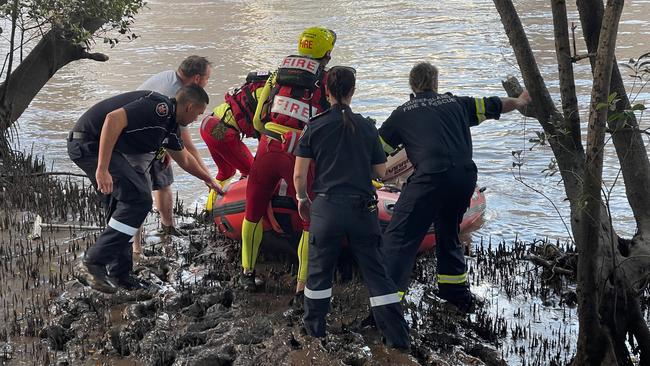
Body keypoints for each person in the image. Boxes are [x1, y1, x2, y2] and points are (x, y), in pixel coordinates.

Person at [378, 62, 531, 312]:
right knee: (449, 233)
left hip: (430, 178)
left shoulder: (402, 113)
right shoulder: (457, 103)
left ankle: (387, 307)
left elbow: (377, 150)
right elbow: (494, 105)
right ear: (436, 83)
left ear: (411, 85)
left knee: (399, 238)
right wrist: (520, 100)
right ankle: (456, 296)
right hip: (464, 178)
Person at [293, 66, 409, 349]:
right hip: (363, 210)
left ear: (326, 91)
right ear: (353, 91)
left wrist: (303, 199)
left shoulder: (315, 125)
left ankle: (315, 333)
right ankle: (397, 338)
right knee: (376, 273)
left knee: (319, 273)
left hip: (326, 208)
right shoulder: (367, 126)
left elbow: (299, 175)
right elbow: (381, 172)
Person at [67, 85, 222, 293]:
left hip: (103, 149)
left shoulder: (170, 126)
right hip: (88, 144)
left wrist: (209, 180)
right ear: (189, 106)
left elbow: (184, 159)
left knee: (122, 211)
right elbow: (113, 119)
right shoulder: (160, 107)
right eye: (198, 114)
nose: (196, 120)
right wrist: (102, 169)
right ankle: (92, 262)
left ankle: (120, 274)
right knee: (139, 199)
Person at [240, 27, 336, 297]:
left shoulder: (276, 74)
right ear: (327, 53)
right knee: (310, 220)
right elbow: (330, 125)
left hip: (268, 146)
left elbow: (259, 120)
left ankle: (247, 272)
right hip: (300, 153)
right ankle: (301, 286)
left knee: (252, 210)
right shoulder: (327, 80)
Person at [133, 55, 213, 252]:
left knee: (164, 182)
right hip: (136, 142)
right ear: (196, 78)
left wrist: (167, 146)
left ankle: (168, 228)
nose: (207, 83)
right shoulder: (177, 94)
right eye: (207, 79)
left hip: (154, 136)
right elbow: (188, 148)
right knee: (138, 197)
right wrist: (209, 179)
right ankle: (136, 250)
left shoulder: (169, 76)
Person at [199, 71, 270, 195]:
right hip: (220, 130)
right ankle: (246, 206)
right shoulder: (270, 96)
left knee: (226, 172)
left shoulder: (253, 88)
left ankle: (210, 208)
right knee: (252, 170)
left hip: (207, 124)